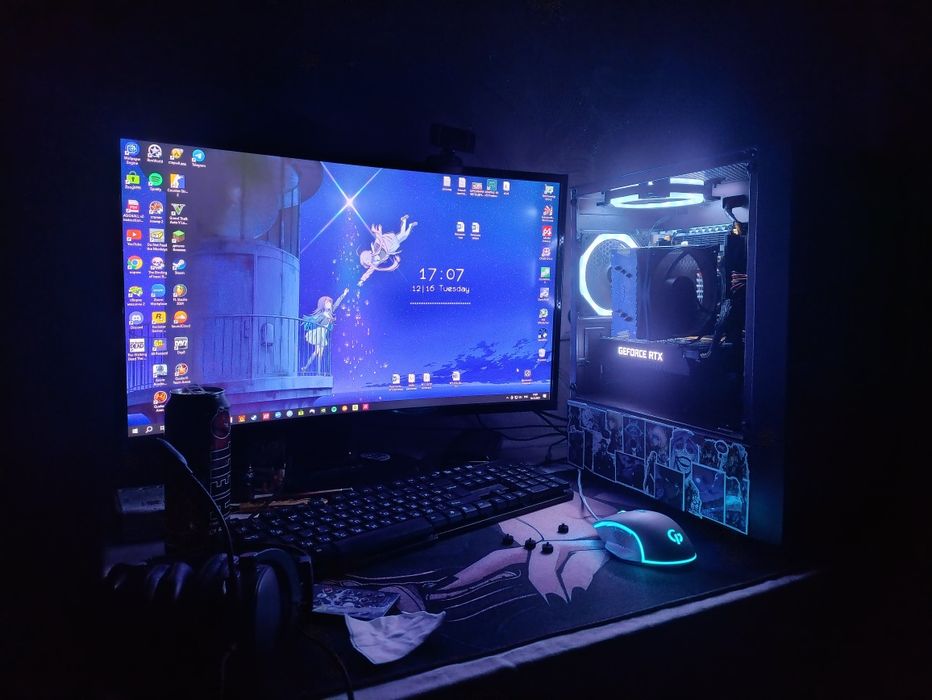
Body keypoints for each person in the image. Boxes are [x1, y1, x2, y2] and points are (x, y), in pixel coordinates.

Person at [301, 287, 349, 373]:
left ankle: (309, 368)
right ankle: (314, 370)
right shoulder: (322, 315)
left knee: (318, 353)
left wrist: (344, 294)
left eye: (330, 303)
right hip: (319, 333)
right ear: (323, 304)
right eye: (327, 303)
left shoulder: (330, 313)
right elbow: (315, 322)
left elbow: (337, 303)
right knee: (318, 353)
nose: (329, 304)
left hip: (323, 334)